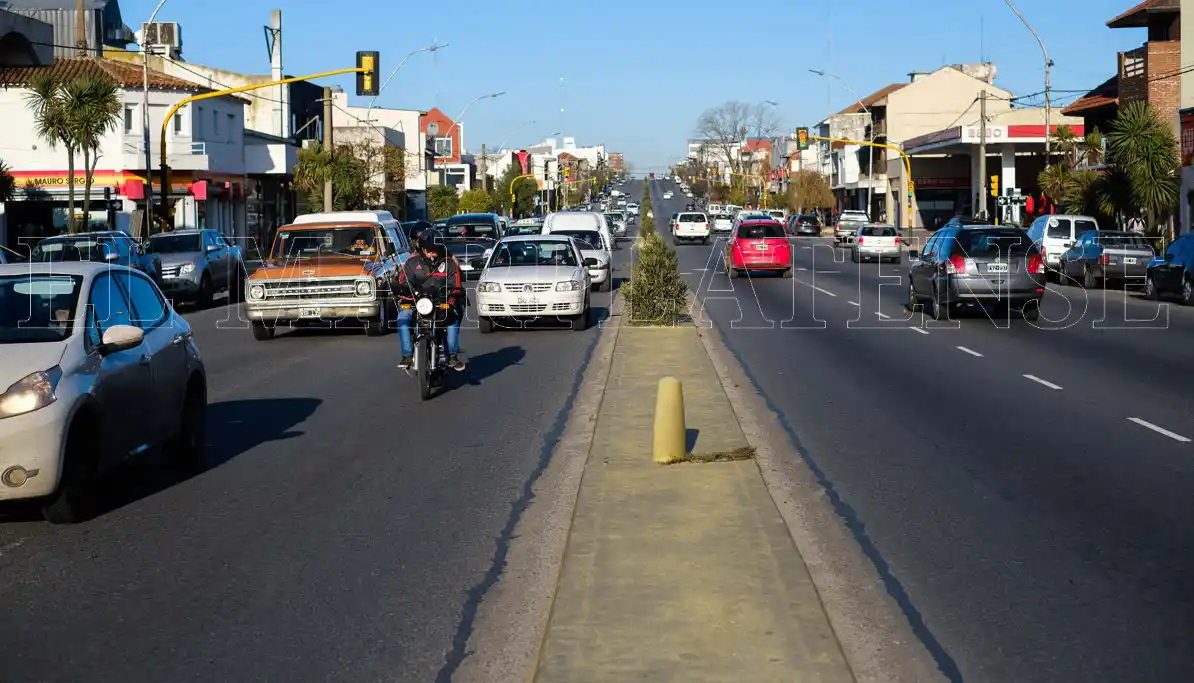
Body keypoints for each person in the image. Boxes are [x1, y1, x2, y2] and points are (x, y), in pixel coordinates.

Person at [395, 228, 466, 372]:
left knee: (452, 318)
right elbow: (403, 282)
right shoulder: (411, 262)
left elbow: (456, 284)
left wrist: (453, 294)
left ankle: (452, 355)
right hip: (418, 303)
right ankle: (407, 355)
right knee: (402, 316)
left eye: (435, 250)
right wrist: (400, 289)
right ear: (422, 249)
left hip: (441, 302)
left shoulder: (449, 263)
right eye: (429, 250)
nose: (432, 253)